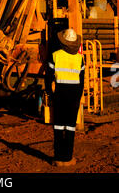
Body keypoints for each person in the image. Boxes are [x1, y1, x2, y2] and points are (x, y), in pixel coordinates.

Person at [45, 28, 85, 167]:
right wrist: (78, 97)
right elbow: (82, 81)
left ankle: (58, 158)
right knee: (70, 127)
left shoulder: (55, 55)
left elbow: (48, 77)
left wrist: (50, 94)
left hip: (59, 95)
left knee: (58, 126)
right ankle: (68, 158)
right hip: (73, 96)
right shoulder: (80, 58)